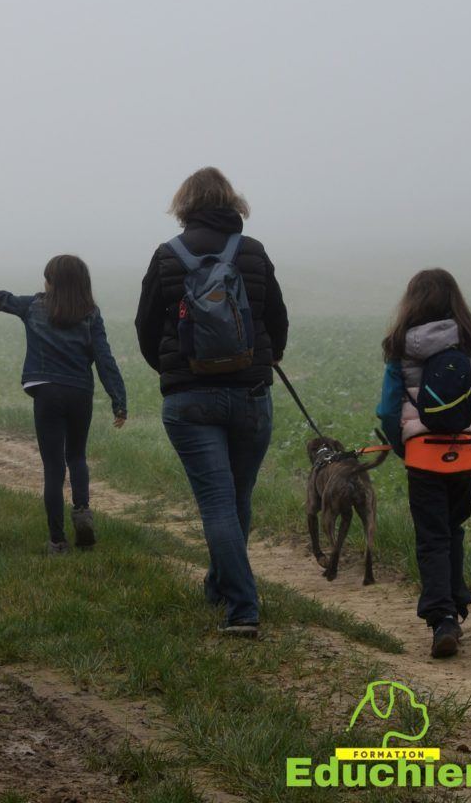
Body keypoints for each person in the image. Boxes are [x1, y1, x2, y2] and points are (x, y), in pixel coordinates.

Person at [135, 167, 288, 638]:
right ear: (231, 202)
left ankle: (241, 606)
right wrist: (262, 363)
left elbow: (145, 329)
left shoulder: (167, 256)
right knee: (237, 498)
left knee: (218, 503)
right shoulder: (253, 252)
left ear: (185, 204)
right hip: (250, 395)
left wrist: (175, 374)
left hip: (189, 399)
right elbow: (277, 321)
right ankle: (222, 586)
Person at [0, 255, 127, 553]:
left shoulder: (33, 306)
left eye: (46, 278)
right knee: (77, 457)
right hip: (79, 393)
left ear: (51, 283)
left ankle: (58, 540)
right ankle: (83, 512)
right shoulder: (90, 314)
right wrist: (119, 401)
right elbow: (105, 358)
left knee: (53, 467)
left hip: (47, 393)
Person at [376, 269, 471, 658]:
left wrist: (405, 449)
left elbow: (387, 411)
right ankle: (456, 603)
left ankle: (442, 617)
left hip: (424, 457)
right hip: (466, 455)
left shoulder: (401, 348)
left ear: (411, 302)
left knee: (432, 536)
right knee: (454, 527)